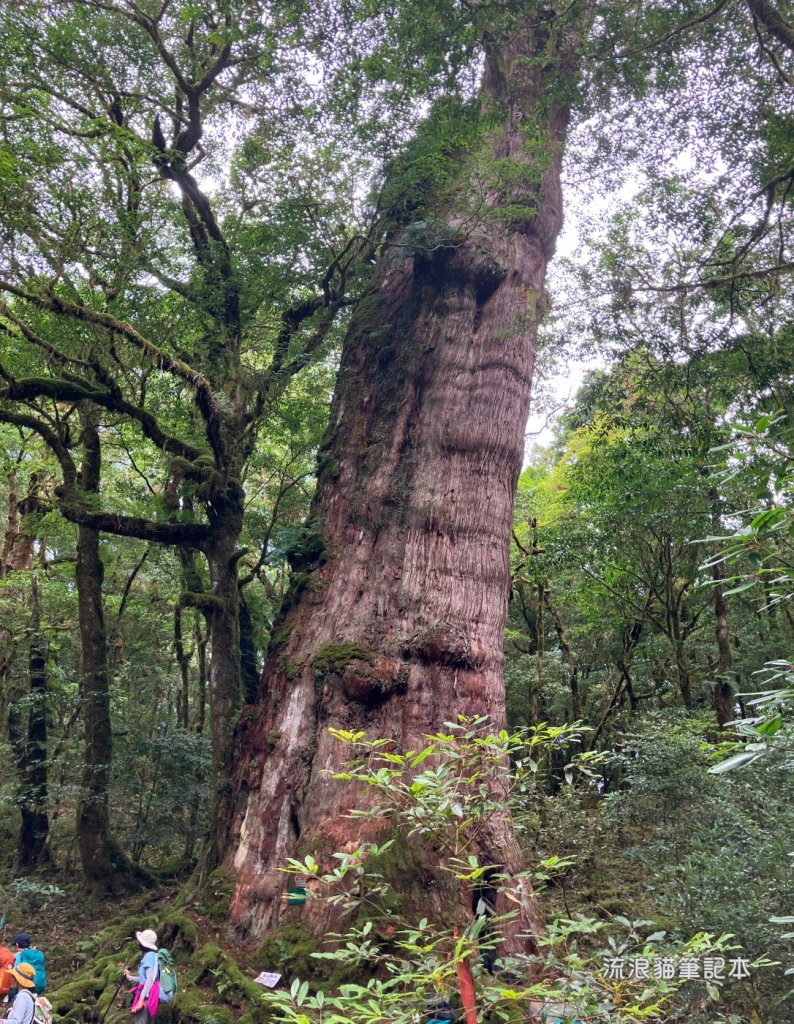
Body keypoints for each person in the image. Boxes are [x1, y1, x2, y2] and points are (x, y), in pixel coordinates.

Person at [121, 930, 159, 1024]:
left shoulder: (149, 957)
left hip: (147, 997)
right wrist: (130, 978)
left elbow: (149, 980)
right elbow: (146, 978)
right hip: (150, 996)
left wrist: (141, 999)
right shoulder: (153, 956)